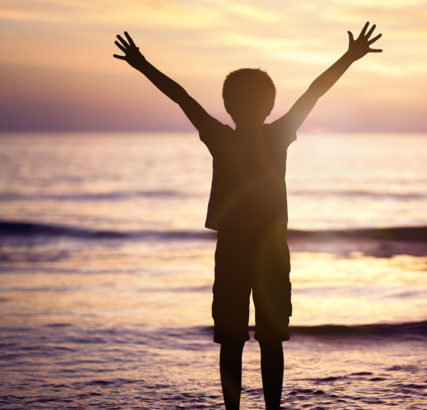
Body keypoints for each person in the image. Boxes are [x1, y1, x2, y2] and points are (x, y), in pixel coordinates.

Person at [113, 22, 382, 409]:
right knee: (241, 337)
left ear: (234, 107)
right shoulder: (270, 133)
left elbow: (184, 98)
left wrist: (142, 64)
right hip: (257, 246)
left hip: (250, 247)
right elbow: (311, 93)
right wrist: (142, 65)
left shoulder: (229, 136)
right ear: (263, 106)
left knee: (250, 338)